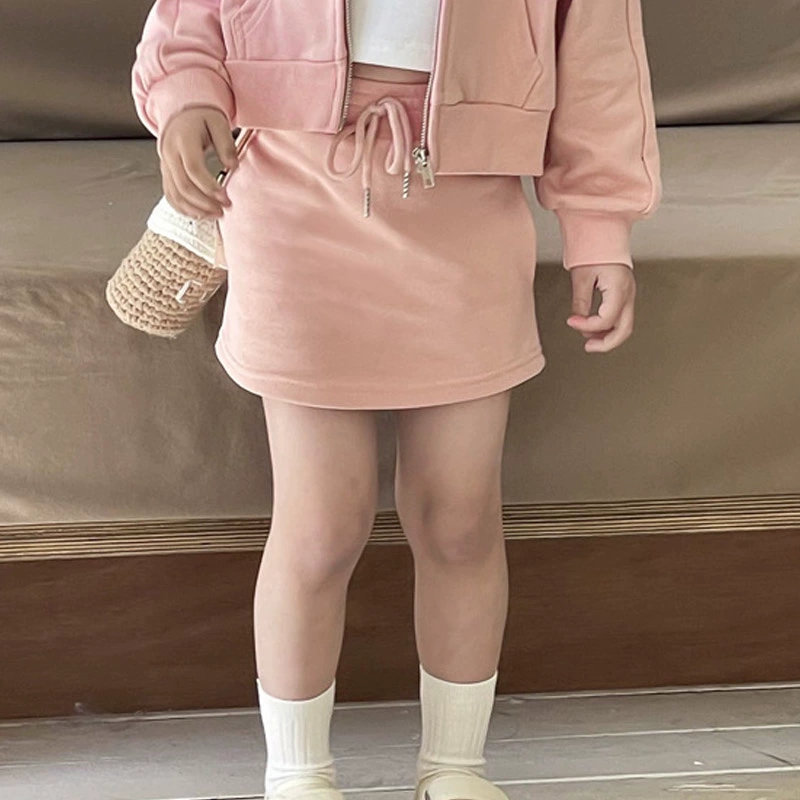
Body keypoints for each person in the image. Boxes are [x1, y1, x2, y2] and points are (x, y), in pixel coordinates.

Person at [131, 2, 663, 799]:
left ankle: (454, 769)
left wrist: (600, 229)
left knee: (460, 518)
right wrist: (185, 96)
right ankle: (298, 776)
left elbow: (598, 58)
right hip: (293, 193)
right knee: (320, 524)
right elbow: (190, 16)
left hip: (469, 200)